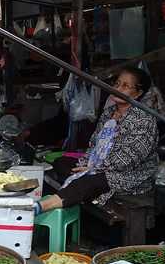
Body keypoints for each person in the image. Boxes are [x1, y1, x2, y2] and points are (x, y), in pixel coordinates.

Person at [36, 66, 158, 214]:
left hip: (128, 175)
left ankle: (41, 206)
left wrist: (94, 169)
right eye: (117, 84)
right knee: (61, 163)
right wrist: (86, 163)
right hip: (99, 165)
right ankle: (71, 195)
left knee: (89, 181)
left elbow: (128, 158)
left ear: (138, 93)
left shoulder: (143, 120)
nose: (118, 88)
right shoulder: (109, 113)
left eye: (125, 86)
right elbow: (94, 144)